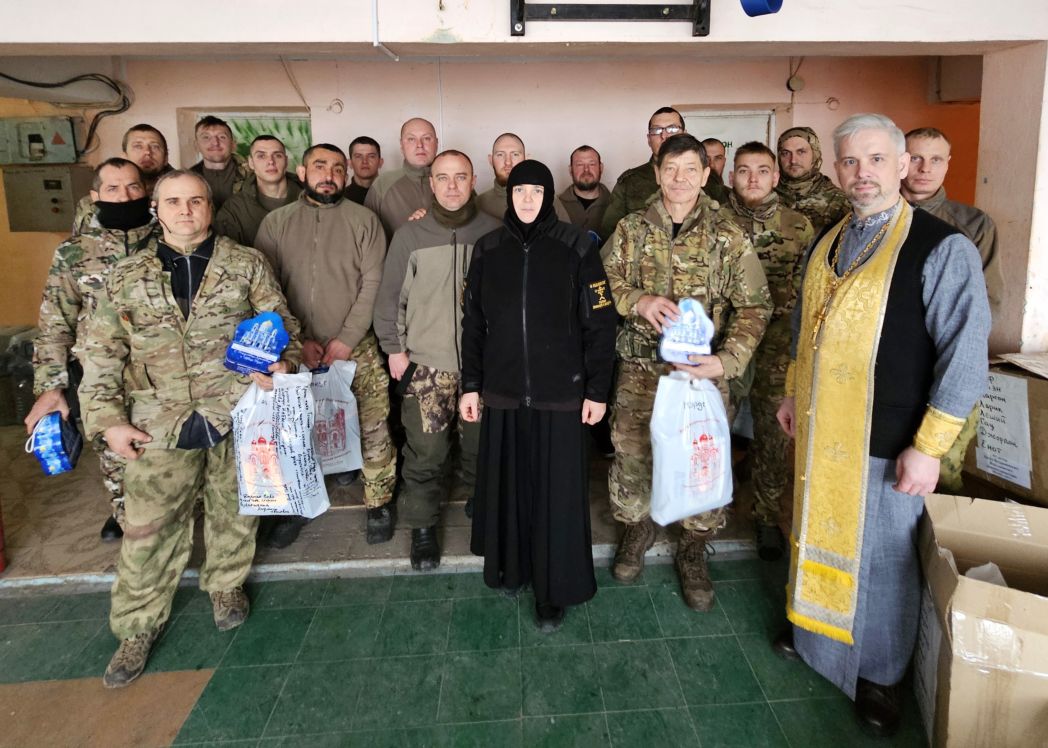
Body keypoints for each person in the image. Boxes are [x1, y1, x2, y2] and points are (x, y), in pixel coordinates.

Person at [775, 114, 990, 736]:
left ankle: (880, 674)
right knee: (815, 534)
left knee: (885, 559)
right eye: (849, 161)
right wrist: (792, 393)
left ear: (901, 166)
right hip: (821, 428)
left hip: (890, 438)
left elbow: (965, 355)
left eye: (874, 160)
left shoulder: (942, 247)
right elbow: (804, 327)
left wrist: (929, 448)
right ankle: (814, 636)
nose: (861, 173)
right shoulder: (830, 239)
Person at [80, 170, 302, 688]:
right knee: (148, 529)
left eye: (195, 201)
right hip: (157, 421)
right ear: (156, 209)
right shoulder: (126, 276)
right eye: (174, 201)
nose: (185, 210)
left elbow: (283, 325)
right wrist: (108, 421)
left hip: (235, 412)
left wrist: (282, 364)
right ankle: (137, 626)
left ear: (209, 207)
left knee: (236, 509)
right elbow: (100, 353)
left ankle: (226, 585)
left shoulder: (245, 264)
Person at [603, 134, 772, 611]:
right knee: (633, 454)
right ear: (657, 173)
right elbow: (602, 281)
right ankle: (637, 529)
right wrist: (639, 300)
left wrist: (728, 360)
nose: (679, 179)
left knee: (702, 462)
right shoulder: (632, 229)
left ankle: (693, 549)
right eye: (671, 169)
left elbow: (756, 305)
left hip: (702, 375)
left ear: (705, 175)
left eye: (690, 170)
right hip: (641, 370)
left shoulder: (727, 235)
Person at [460, 160, 616, 631]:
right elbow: (473, 325)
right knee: (510, 489)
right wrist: (472, 384)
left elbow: (600, 324)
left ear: (548, 196)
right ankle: (512, 568)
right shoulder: (488, 249)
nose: (527, 199)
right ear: (509, 195)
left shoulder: (577, 246)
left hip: (560, 395)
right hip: (504, 394)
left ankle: (554, 590)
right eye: (519, 191)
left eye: (536, 191)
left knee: (556, 497)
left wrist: (597, 390)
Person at [255, 144, 398, 548]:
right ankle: (299, 505)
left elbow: (375, 282)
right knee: (297, 432)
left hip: (356, 346)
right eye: (320, 166)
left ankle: (379, 501)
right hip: (295, 351)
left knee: (373, 427)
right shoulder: (277, 222)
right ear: (302, 173)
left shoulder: (364, 220)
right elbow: (265, 288)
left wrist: (347, 339)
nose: (329, 175)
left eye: (337, 168)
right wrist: (298, 341)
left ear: (346, 175)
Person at [374, 150, 500, 571]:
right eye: (442, 177)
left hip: (481, 367)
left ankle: (483, 505)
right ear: (431, 183)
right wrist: (395, 349)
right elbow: (390, 299)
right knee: (425, 454)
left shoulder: (493, 233)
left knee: (481, 447)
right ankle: (423, 526)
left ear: (473, 180)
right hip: (427, 365)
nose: (451, 186)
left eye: (460, 177)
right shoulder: (410, 235)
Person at [27, 158, 157, 542]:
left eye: (133, 187)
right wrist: (50, 386)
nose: (124, 196)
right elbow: (55, 324)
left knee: (165, 452)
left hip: (161, 370)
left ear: (146, 190)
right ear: (95, 195)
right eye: (113, 189)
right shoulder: (74, 252)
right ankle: (123, 513)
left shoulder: (167, 239)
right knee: (114, 453)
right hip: (100, 376)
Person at [719, 141, 813, 561]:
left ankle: (765, 514)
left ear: (776, 177)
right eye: (743, 170)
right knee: (714, 427)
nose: (752, 178)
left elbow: (809, 291)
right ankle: (712, 508)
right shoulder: (715, 222)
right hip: (726, 343)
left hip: (776, 347)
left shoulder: (799, 226)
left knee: (773, 434)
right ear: (731, 177)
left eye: (761, 170)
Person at [902, 126, 1003, 494]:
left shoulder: (972, 225)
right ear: (900, 161)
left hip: (943, 369)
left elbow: (986, 305)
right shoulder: (874, 220)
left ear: (948, 164)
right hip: (887, 373)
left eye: (935, 160)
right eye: (916, 158)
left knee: (939, 476)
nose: (924, 168)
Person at [600, 107, 687, 240]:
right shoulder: (629, 182)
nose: (664, 136)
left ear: (685, 135)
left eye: (672, 129)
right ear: (649, 139)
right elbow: (610, 234)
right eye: (656, 130)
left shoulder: (707, 181)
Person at [72, 124, 172, 235]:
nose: (147, 152)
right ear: (124, 156)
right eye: (138, 146)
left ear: (166, 158)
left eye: (155, 146)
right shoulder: (91, 203)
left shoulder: (179, 197)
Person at [213, 135, 302, 246]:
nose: (271, 161)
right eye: (261, 156)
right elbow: (223, 250)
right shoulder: (235, 208)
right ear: (251, 162)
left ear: (286, 161)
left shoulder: (309, 199)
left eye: (277, 155)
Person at [365, 118, 438, 236]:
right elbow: (368, 235)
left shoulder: (454, 182)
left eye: (427, 138)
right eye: (411, 139)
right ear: (402, 145)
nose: (420, 145)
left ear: (436, 143)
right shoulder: (383, 184)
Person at [476, 132, 570, 221]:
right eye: (500, 155)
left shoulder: (548, 199)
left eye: (515, 154)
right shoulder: (478, 203)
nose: (508, 162)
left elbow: (566, 232)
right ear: (491, 160)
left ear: (526, 159)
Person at [775, 126, 850, 233]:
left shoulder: (838, 201)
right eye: (785, 153)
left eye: (801, 152)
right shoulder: (765, 196)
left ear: (815, 154)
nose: (793, 160)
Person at [189, 115, 251, 210]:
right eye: (206, 137)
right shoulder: (187, 179)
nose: (215, 143)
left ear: (233, 144)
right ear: (196, 145)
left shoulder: (254, 174)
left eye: (222, 137)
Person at [558, 145, 611, 239]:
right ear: (570, 170)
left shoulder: (616, 205)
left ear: (601, 168)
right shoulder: (555, 206)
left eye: (592, 164)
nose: (586, 170)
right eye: (580, 165)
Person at [346, 135, 383, 205]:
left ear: (380, 162)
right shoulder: (341, 199)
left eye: (371, 156)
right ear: (350, 163)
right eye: (358, 156)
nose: (365, 161)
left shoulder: (394, 195)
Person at [701, 137, 731, 204]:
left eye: (718, 158)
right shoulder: (687, 195)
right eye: (706, 158)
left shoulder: (734, 198)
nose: (711, 165)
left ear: (724, 162)